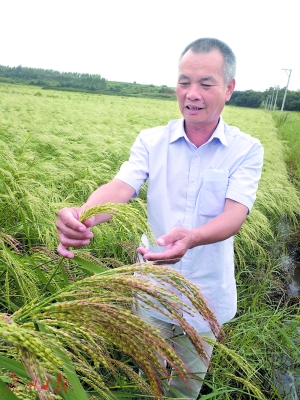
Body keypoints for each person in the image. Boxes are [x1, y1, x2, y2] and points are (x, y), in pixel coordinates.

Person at [56, 38, 264, 399]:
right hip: (152, 288)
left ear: (228, 88)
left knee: (184, 387)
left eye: (205, 83)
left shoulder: (246, 149)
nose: (191, 93)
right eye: (184, 82)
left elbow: (235, 214)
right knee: (145, 379)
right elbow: (121, 188)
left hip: (206, 297)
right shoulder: (152, 141)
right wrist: (83, 216)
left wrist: (193, 237)